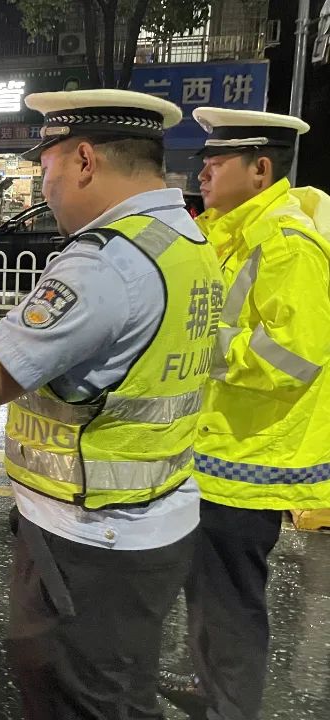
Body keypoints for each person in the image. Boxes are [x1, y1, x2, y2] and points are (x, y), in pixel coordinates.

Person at [0, 89, 223, 719]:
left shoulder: (106, 264)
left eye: (47, 170)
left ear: (85, 161)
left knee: (77, 700)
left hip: (92, 539)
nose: (47, 189)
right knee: (117, 694)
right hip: (156, 519)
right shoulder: (184, 239)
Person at [158, 109, 330, 720]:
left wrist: (204, 346)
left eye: (216, 162)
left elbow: (295, 357)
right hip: (219, 450)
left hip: (249, 459)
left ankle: (229, 707)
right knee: (209, 592)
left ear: (260, 170)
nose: (202, 172)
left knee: (231, 602)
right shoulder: (233, 232)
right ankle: (211, 688)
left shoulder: (286, 244)